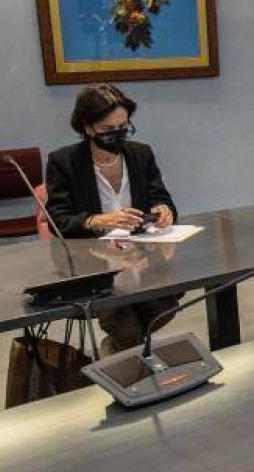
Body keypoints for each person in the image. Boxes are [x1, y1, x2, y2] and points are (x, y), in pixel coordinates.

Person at [45, 84, 179, 354]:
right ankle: (134, 362)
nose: (117, 135)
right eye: (108, 130)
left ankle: (119, 351)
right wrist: (102, 220)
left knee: (165, 308)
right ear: (87, 127)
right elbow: (57, 220)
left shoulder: (141, 154)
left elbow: (160, 196)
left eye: (123, 127)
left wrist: (164, 209)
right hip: (96, 264)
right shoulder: (64, 161)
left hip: (144, 256)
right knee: (125, 327)